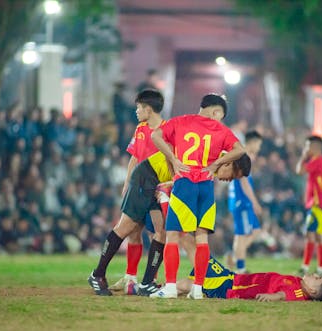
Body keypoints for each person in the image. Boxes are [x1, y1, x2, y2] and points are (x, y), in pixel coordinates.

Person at [87, 150, 251, 296]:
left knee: (164, 231)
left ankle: (146, 283)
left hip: (160, 182)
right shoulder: (209, 154)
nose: (229, 180)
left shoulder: (214, 168)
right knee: (126, 227)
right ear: (229, 163)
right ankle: (97, 274)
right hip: (149, 174)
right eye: (233, 175)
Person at [150, 94, 245, 299]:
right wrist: (215, 165)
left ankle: (171, 287)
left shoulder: (181, 121)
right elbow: (240, 150)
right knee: (202, 239)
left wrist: (174, 159)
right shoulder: (221, 130)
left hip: (185, 182)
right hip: (206, 186)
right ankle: (198, 289)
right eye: (220, 116)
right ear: (216, 111)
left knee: (173, 236)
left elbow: (155, 136)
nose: (219, 120)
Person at [99, 89, 166, 295]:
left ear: (148, 108)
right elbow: (134, 157)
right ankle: (131, 279)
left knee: (158, 231)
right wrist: (127, 182)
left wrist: (165, 187)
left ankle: (150, 279)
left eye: (138, 107)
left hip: (156, 188)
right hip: (138, 186)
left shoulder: (168, 130)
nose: (136, 111)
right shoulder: (140, 129)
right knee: (133, 231)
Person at [176, 256, 322, 302]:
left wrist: (273, 297)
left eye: (316, 278)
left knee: (189, 281)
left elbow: (284, 295)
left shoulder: (297, 292)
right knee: (199, 254)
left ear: (311, 290)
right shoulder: (301, 285)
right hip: (232, 277)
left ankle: (165, 287)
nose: (313, 274)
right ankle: (170, 287)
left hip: (229, 287)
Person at [228, 130, 263, 273]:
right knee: (242, 235)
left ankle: (235, 258)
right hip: (241, 201)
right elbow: (244, 182)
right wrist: (255, 202)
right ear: (252, 142)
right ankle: (240, 269)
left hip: (238, 200)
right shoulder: (244, 156)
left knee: (255, 230)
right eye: (258, 144)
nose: (259, 148)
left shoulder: (242, 154)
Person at [295, 135, 322, 276]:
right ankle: (320, 268)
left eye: (308, 146)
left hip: (317, 204)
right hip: (321, 204)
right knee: (318, 235)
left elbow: (299, 171)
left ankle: (306, 266)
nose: (306, 149)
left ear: (316, 147)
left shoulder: (318, 161)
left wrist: (303, 157)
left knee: (310, 234)